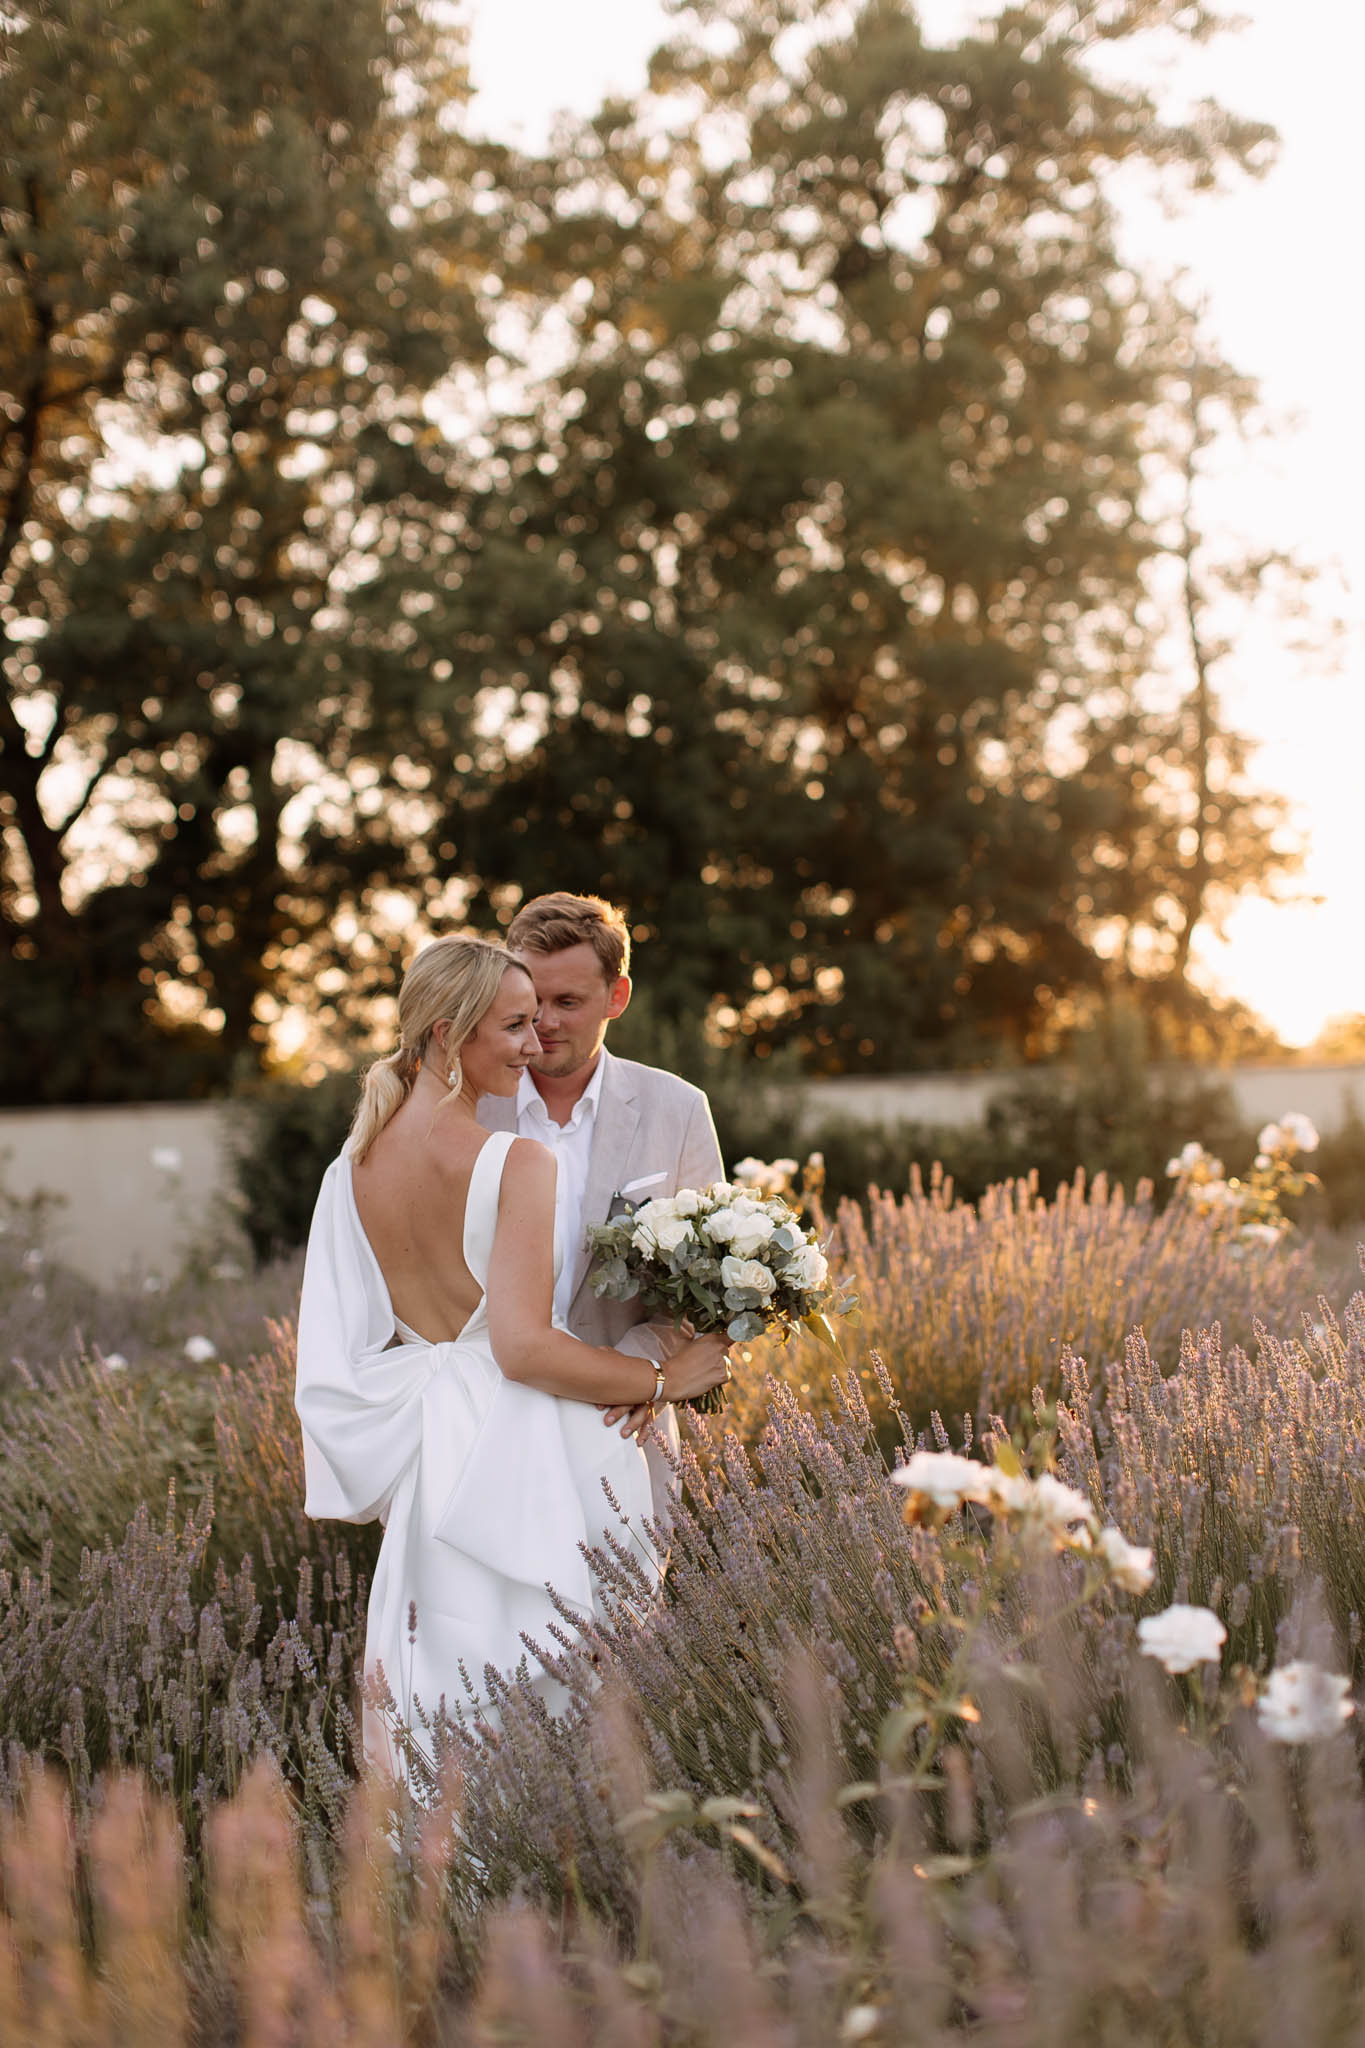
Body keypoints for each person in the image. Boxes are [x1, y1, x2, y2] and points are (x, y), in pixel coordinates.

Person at [293, 935, 731, 1777]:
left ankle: (429, 1884)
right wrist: (659, 1379)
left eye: (541, 1022)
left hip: (435, 1464)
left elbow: (363, 1339)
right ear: (450, 1034)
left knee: (444, 1690)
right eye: (516, 1028)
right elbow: (522, 1346)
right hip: (524, 1449)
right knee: (555, 1692)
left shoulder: (351, 1167)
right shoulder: (513, 1160)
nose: (535, 1047)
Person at [479, 892, 726, 1517]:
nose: (544, 1023)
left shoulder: (678, 1109)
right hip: (481, 1423)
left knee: (625, 1615)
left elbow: (707, 1294)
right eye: (532, 1002)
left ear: (617, 997)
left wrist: (635, 1375)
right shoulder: (468, 1108)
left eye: (567, 1002)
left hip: (622, 1427)